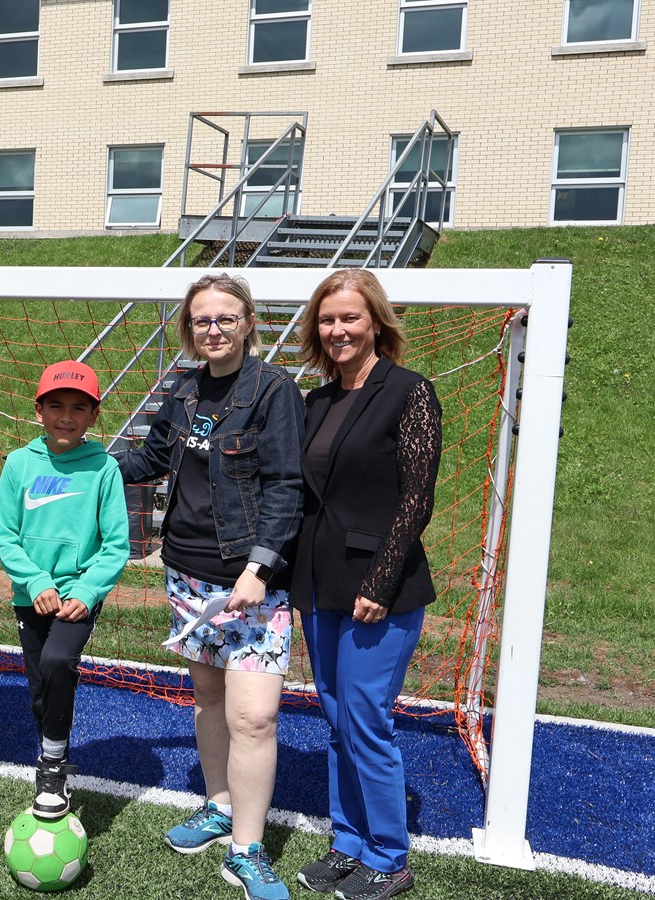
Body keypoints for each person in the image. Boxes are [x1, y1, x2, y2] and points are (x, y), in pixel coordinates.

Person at [117, 273, 304, 900]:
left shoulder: (275, 391)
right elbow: (151, 459)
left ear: (248, 322)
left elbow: (285, 487)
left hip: (249, 581)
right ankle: (219, 804)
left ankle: (246, 851)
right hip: (187, 572)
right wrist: (75, 456)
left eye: (225, 318)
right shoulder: (185, 387)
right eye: (202, 321)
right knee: (209, 701)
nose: (214, 330)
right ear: (189, 330)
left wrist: (259, 567)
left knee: (255, 715)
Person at [290, 270, 441, 900]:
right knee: (334, 715)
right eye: (327, 320)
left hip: (380, 589)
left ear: (376, 321)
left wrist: (379, 581)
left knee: (364, 717)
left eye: (350, 318)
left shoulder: (409, 393)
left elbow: (417, 498)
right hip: (320, 585)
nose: (338, 330)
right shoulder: (317, 401)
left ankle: (390, 855)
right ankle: (347, 843)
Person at [0, 360, 129, 819]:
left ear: (94, 415)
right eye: (55, 406)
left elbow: (116, 546)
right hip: (31, 595)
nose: (65, 416)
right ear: (38, 410)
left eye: (77, 408)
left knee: (57, 661)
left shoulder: (104, 468)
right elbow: (5, 534)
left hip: (76, 598)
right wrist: (34, 582)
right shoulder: (18, 464)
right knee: (39, 689)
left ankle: (52, 769)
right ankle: (51, 744)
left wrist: (88, 592)